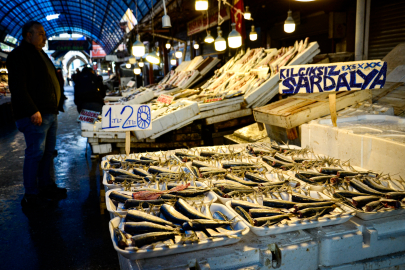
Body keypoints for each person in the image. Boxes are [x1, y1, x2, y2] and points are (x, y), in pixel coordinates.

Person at [6, 21, 67, 208]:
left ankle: (46, 186)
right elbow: (18, 87)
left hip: (49, 113)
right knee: (35, 153)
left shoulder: (41, 55)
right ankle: (31, 194)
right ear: (27, 35)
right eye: (40, 33)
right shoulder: (19, 55)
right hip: (35, 115)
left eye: (44, 33)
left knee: (48, 153)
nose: (44, 37)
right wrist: (32, 109)